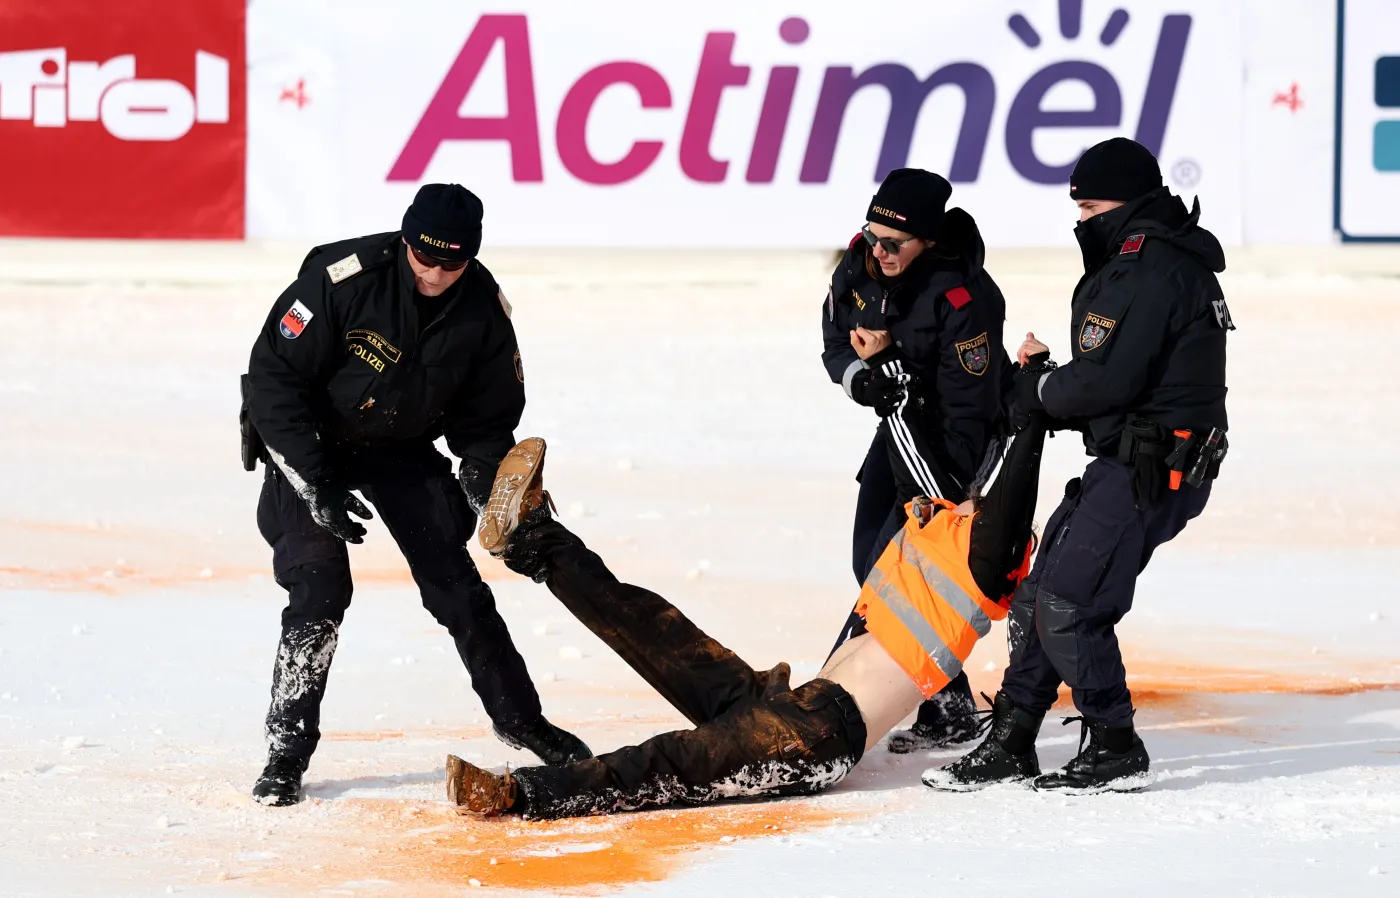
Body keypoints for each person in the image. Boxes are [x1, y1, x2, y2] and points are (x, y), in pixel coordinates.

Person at [444, 407, 1049, 819]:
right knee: (653, 629)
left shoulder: (980, 568)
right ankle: (534, 539)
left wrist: (1034, 412)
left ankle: (518, 795)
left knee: (671, 764)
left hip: (814, 739)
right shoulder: (941, 531)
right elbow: (987, 469)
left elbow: (1015, 485)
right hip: (788, 701)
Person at [241, 184, 590, 806]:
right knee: (319, 586)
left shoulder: (483, 312)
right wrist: (312, 478)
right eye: (423, 259)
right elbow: (273, 378)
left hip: (398, 447)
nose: (433, 275)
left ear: (470, 259)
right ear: (406, 242)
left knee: (456, 585)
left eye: (450, 265)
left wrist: (486, 490)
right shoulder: (341, 279)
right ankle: (285, 753)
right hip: (307, 440)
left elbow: (486, 427)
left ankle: (520, 720)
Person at [925, 137, 1232, 795]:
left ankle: (1116, 744)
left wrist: (1035, 388)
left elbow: (1105, 382)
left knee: (1068, 602)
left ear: (1124, 202)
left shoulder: (1147, 270)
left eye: (1089, 206)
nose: (1081, 220)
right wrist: (1052, 382)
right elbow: (1119, 380)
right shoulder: (1157, 263)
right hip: (1135, 459)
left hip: (1151, 469)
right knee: (1040, 595)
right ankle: (1012, 738)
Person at [820, 168, 1012, 751]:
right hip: (895, 421)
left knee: (896, 567)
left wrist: (891, 379)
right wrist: (864, 382)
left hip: (954, 440)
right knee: (867, 560)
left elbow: (966, 418)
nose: (879, 251)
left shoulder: (965, 298)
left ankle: (841, 707)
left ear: (927, 240)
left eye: (894, 243)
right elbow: (834, 341)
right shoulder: (859, 264)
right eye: (872, 235)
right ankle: (948, 702)